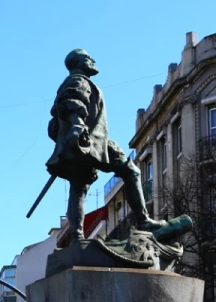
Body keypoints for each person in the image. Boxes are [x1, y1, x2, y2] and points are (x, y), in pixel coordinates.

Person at [46, 49, 166, 242]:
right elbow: (74, 103)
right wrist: (77, 126)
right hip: (92, 141)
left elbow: (55, 123)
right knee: (131, 171)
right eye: (87, 58)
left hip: (80, 142)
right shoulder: (78, 81)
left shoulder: (68, 84)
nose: (92, 60)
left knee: (78, 187)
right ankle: (143, 220)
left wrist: (69, 136)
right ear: (78, 63)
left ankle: (77, 237)